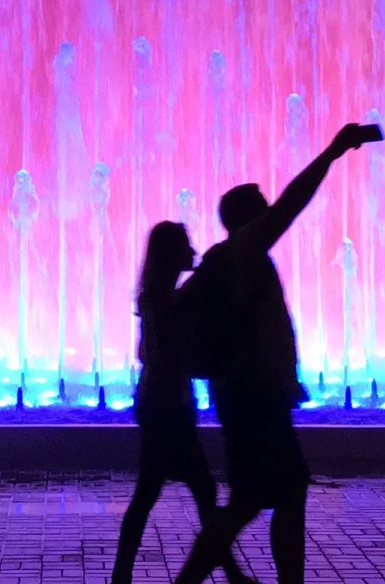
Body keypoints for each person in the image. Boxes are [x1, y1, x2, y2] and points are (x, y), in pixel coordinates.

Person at [172, 122, 381, 584]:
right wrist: (332, 153)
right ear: (249, 218)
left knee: (270, 494)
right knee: (270, 494)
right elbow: (292, 203)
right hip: (251, 397)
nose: (272, 211)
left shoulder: (234, 258)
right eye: (262, 208)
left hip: (248, 395)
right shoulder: (244, 250)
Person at [109, 222, 254, 584]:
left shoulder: (161, 298)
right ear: (171, 253)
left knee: (159, 492)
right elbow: (164, 355)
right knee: (190, 491)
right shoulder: (164, 302)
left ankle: (122, 575)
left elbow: (150, 352)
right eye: (186, 245)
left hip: (162, 404)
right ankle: (229, 574)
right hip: (167, 408)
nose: (193, 249)